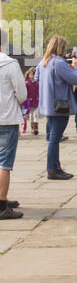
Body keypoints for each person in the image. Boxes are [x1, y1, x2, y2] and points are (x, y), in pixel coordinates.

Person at [37, 35, 77, 179]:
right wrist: (76, 68)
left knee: (53, 138)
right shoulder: (59, 63)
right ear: (61, 47)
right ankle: (52, 170)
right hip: (60, 106)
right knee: (55, 139)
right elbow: (75, 79)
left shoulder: (43, 62)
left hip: (47, 105)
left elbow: (37, 78)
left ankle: (56, 167)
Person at [0, 49, 27, 218]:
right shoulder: (9, 64)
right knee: (4, 163)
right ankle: (2, 205)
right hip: (6, 118)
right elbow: (22, 94)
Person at [21, 67, 40, 135]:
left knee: (36, 115)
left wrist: (38, 97)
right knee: (31, 116)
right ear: (28, 75)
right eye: (31, 74)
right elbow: (25, 92)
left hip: (36, 101)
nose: (32, 76)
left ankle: (35, 128)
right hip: (29, 102)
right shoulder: (27, 83)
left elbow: (39, 91)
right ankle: (32, 128)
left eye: (33, 75)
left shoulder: (37, 83)